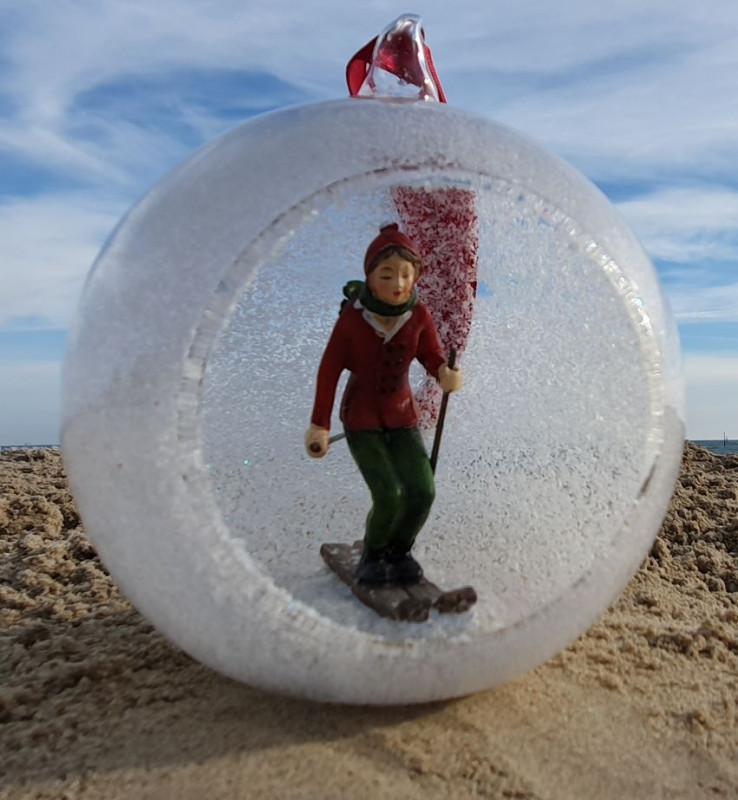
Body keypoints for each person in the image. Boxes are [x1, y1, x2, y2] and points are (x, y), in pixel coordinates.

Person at [305, 223, 463, 586]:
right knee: (389, 493)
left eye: (405, 275)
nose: (397, 283)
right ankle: (374, 555)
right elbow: (328, 373)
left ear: (415, 278)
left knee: (423, 491)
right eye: (386, 274)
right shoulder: (351, 321)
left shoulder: (419, 315)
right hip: (362, 420)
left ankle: (400, 550)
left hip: (402, 416)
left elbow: (432, 354)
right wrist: (320, 425)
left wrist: (445, 372)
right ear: (370, 276)